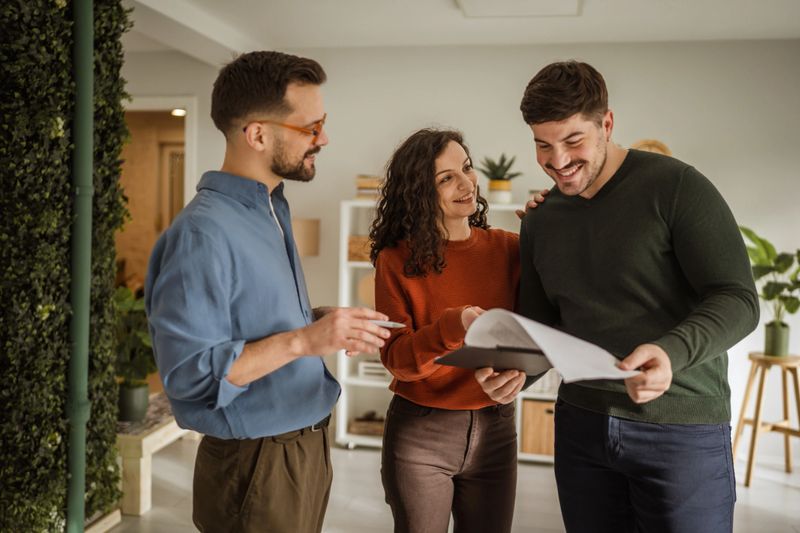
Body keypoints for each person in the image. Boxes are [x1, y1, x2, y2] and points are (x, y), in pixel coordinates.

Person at [477, 61, 759, 533]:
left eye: (573, 141)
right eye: (542, 145)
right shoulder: (542, 220)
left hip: (681, 430)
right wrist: (514, 373)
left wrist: (671, 352)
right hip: (580, 428)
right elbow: (543, 327)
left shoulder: (676, 187)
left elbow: (738, 299)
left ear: (606, 124)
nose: (558, 161)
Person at [144, 51, 391, 533]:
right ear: (257, 134)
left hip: (301, 449)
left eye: (323, 123)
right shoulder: (202, 234)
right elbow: (191, 377)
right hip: (255, 462)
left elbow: (248, 322)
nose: (324, 138)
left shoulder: (270, 208)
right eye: (310, 128)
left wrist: (319, 322)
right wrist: (304, 341)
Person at [370, 128, 526, 533]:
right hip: (421, 434)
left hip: (496, 429)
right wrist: (452, 326)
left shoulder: (509, 249)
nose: (466, 183)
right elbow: (398, 361)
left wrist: (553, 231)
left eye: (467, 169)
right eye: (446, 178)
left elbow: (539, 329)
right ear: (420, 192)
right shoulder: (395, 261)